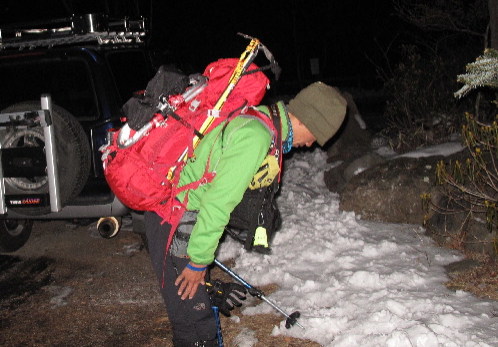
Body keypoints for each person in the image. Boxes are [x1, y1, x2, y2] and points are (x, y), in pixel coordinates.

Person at [145, 81, 348, 347]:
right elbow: (217, 203)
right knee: (195, 328)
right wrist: (198, 262)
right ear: (304, 119)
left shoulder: (259, 118)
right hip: (173, 220)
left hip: (178, 214)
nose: (310, 144)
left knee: (195, 315)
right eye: (315, 135)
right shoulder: (256, 136)